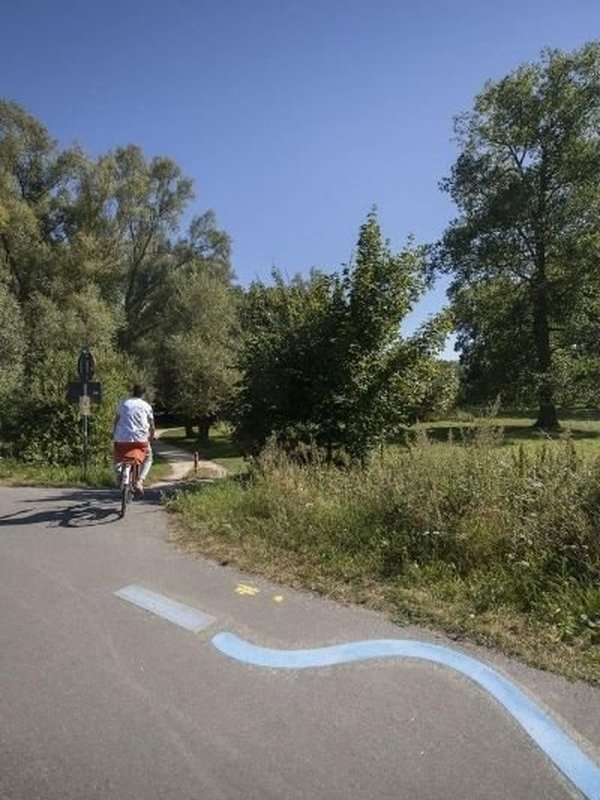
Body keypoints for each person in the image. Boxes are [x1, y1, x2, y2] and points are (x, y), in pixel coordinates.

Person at [112, 384, 155, 493]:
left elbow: (116, 421)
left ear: (133, 392)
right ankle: (140, 481)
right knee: (148, 458)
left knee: (116, 455)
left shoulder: (123, 404)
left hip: (122, 440)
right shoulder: (147, 406)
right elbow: (152, 425)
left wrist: (113, 433)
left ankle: (119, 474)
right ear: (143, 394)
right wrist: (151, 437)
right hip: (140, 440)